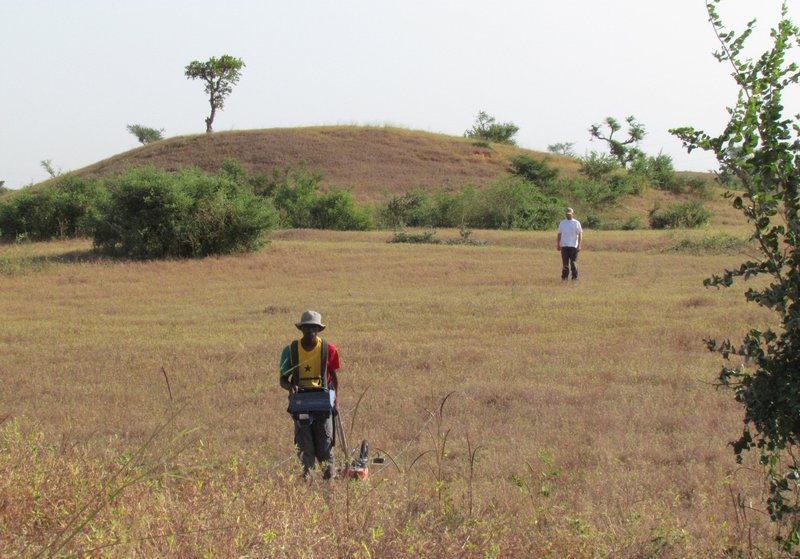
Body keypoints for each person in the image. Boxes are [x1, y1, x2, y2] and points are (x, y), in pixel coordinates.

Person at [279, 310, 342, 480]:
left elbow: (334, 377)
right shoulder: (290, 351)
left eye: (314, 328)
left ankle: (330, 486)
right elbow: (283, 379)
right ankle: (309, 490)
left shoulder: (329, 349)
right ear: (301, 329)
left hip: (323, 404)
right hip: (301, 405)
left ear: (319, 330)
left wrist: (335, 402)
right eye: (307, 328)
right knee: (306, 451)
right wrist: (291, 387)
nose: (310, 332)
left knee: (326, 449)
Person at [556, 207, 582, 281]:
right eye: (567, 214)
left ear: (572, 214)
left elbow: (580, 234)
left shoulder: (576, 223)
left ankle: (575, 278)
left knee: (573, 263)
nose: (568, 215)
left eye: (570, 214)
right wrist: (558, 244)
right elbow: (559, 234)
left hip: (573, 246)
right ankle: (564, 278)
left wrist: (579, 245)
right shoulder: (562, 223)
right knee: (565, 263)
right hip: (564, 246)